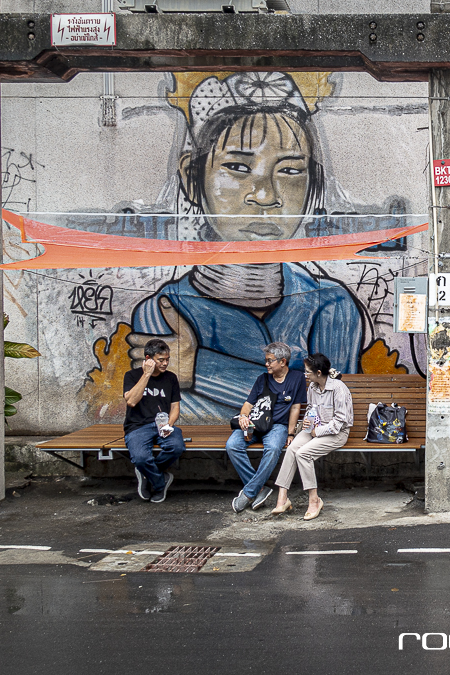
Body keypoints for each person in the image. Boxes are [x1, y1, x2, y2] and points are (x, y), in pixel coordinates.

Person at [125, 72, 363, 420]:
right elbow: (168, 416)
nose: (266, 196)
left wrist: (199, 367)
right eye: (237, 167)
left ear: (313, 183)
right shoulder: (163, 310)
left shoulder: (330, 305)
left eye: (290, 171)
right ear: (191, 177)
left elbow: (330, 407)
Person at [271, 353, 353, 520]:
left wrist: (317, 431)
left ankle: (314, 500)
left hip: (336, 433)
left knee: (303, 454)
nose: (305, 375)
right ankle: (282, 498)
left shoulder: (338, 389)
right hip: (315, 429)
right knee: (292, 448)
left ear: (319, 372)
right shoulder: (313, 388)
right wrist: (308, 420)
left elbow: (339, 422)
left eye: (308, 372)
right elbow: (311, 409)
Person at [227, 342, 306, 513]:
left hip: (278, 426)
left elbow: (295, 407)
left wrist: (291, 433)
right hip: (255, 424)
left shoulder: (297, 378)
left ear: (282, 361)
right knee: (232, 445)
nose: (266, 364)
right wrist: (243, 417)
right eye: (266, 360)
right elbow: (248, 404)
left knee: (273, 448)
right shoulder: (262, 379)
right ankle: (259, 489)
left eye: (270, 361)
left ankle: (249, 493)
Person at [123, 338, 186, 503]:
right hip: (138, 426)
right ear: (148, 358)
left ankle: (146, 473)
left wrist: (169, 425)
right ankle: (160, 482)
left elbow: (175, 407)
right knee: (141, 458)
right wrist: (147, 374)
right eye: (161, 360)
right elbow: (131, 401)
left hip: (163, 425)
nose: (165, 363)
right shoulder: (131, 376)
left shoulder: (170, 378)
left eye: (167, 359)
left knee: (176, 447)